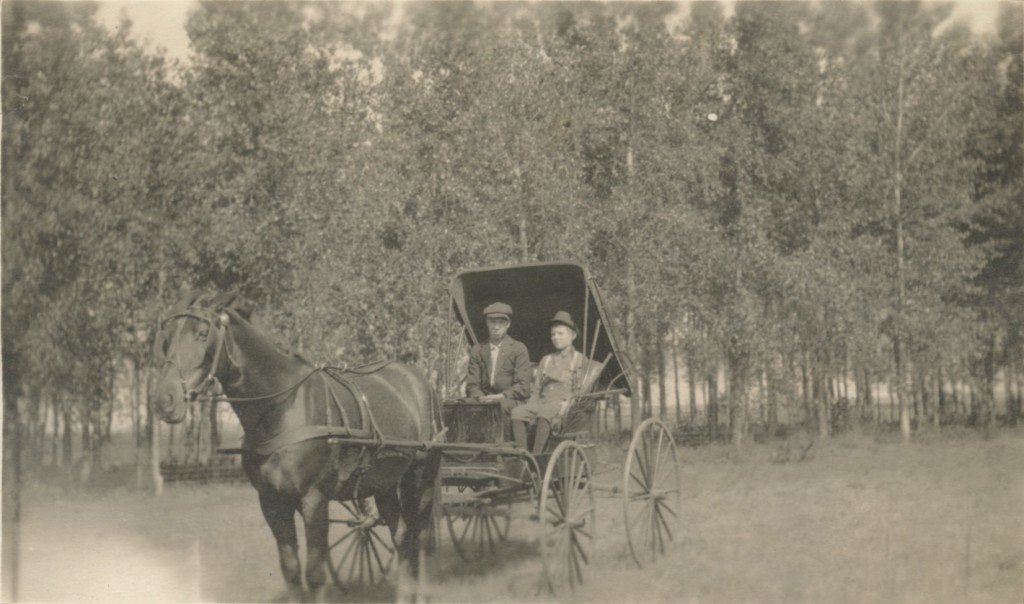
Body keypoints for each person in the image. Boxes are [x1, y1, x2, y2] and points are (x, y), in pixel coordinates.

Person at [511, 311, 585, 454]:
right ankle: (522, 455)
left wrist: (567, 404)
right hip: (543, 402)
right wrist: (532, 404)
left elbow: (579, 390)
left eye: (560, 333)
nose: (556, 337)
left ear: (573, 336)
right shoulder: (546, 360)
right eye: (553, 334)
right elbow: (537, 388)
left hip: (562, 405)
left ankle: (537, 457)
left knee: (545, 413)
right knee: (517, 412)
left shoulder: (578, 360)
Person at [464, 302, 531, 415]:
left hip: (510, 400)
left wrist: (499, 397)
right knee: (460, 407)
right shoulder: (478, 349)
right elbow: (472, 384)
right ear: (487, 323)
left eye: (501, 322)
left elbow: (522, 387)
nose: (496, 327)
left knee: (498, 407)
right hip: (483, 400)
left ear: (508, 324)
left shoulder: (518, 348)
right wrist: (481, 399)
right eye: (492, 322)